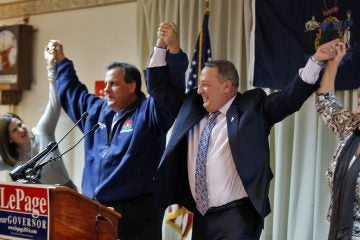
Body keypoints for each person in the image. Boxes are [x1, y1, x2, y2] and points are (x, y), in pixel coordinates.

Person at [148, 38, 341, 239]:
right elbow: (158, 90)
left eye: (205, 85)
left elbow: (289, 99)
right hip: (200, 216)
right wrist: (161, 46)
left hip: (237, 217)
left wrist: (316, 61)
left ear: (227, 86)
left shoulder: (252, 108)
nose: (199, 90)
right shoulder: (191, 107)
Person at [45, 21, 188, 240]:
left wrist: (173, 51)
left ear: (132, 86)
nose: (106, 90)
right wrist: (61, 61)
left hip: (135, 217)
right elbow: (72, 92)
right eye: (106, 84)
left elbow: (170, 91)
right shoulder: (96, 111)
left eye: (113, 84)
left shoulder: (149, 113)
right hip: (92, 210)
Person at [0, 46, 76, 189]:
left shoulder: (42, 132)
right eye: (14, 130)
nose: (21, 129)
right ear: (9, 138)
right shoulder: (9, 159)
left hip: (66, 194)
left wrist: (50, 67)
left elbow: (55, 102)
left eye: (20, 124)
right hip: (35, 204)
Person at [315, 41, 360, 239]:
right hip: (339, 232)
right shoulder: (352, 126)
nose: (357, 110)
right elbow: (326, 103)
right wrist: (333, 63)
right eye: (359, 102)